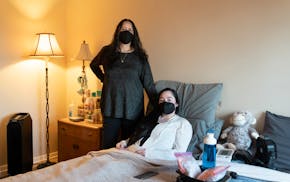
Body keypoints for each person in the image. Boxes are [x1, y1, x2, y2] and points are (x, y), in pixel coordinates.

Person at [90, 18, 157, 149]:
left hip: (133, 110)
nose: (127, 31)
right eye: (123, 29)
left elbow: (148, 84)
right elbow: (93, 65)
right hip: (111, 107)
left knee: (129, 149)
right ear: (118, 32)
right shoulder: (107, 52)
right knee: (107, 149)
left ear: (134, 34)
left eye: (130, 29)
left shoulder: (140, 57)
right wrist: (104, 78)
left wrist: (159, 106)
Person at [116, 88, 193, 161]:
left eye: (169, 100)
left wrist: (148, 153)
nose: (165, 102)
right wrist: (125, 142)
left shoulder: (182, 123)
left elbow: (180, 153)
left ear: (176, 103)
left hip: (150, 160)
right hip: (129, 151)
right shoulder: (150, 118)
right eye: (161, 100)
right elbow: (137, 136)